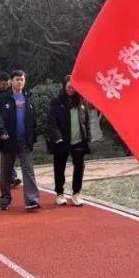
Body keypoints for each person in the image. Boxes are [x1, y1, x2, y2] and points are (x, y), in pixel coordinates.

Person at [0, 70, 39, 211]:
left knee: (28, 170)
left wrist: (33, 135)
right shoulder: (2, 99)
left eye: (22, 79)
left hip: (25, 141)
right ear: (11, 81)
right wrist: (1, 131)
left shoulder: (28, 98)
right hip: (8, 141)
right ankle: (5, 199)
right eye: (17, 79)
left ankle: (32, 200)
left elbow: (33, 119)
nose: (20, 82)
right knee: (6, 172)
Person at [46, 75, 91, 206]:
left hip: (78, 141)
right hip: (62, 141)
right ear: (64, 86)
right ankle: (60, 193)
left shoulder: (82, 102)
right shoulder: (56, 102)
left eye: (73, 87)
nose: (71, 89)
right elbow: (51, 122)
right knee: (59, 168)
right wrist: (58, 138)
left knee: (79, 168)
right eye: (68, 86)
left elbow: (86, 121)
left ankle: (76, 193)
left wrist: (87, 137)